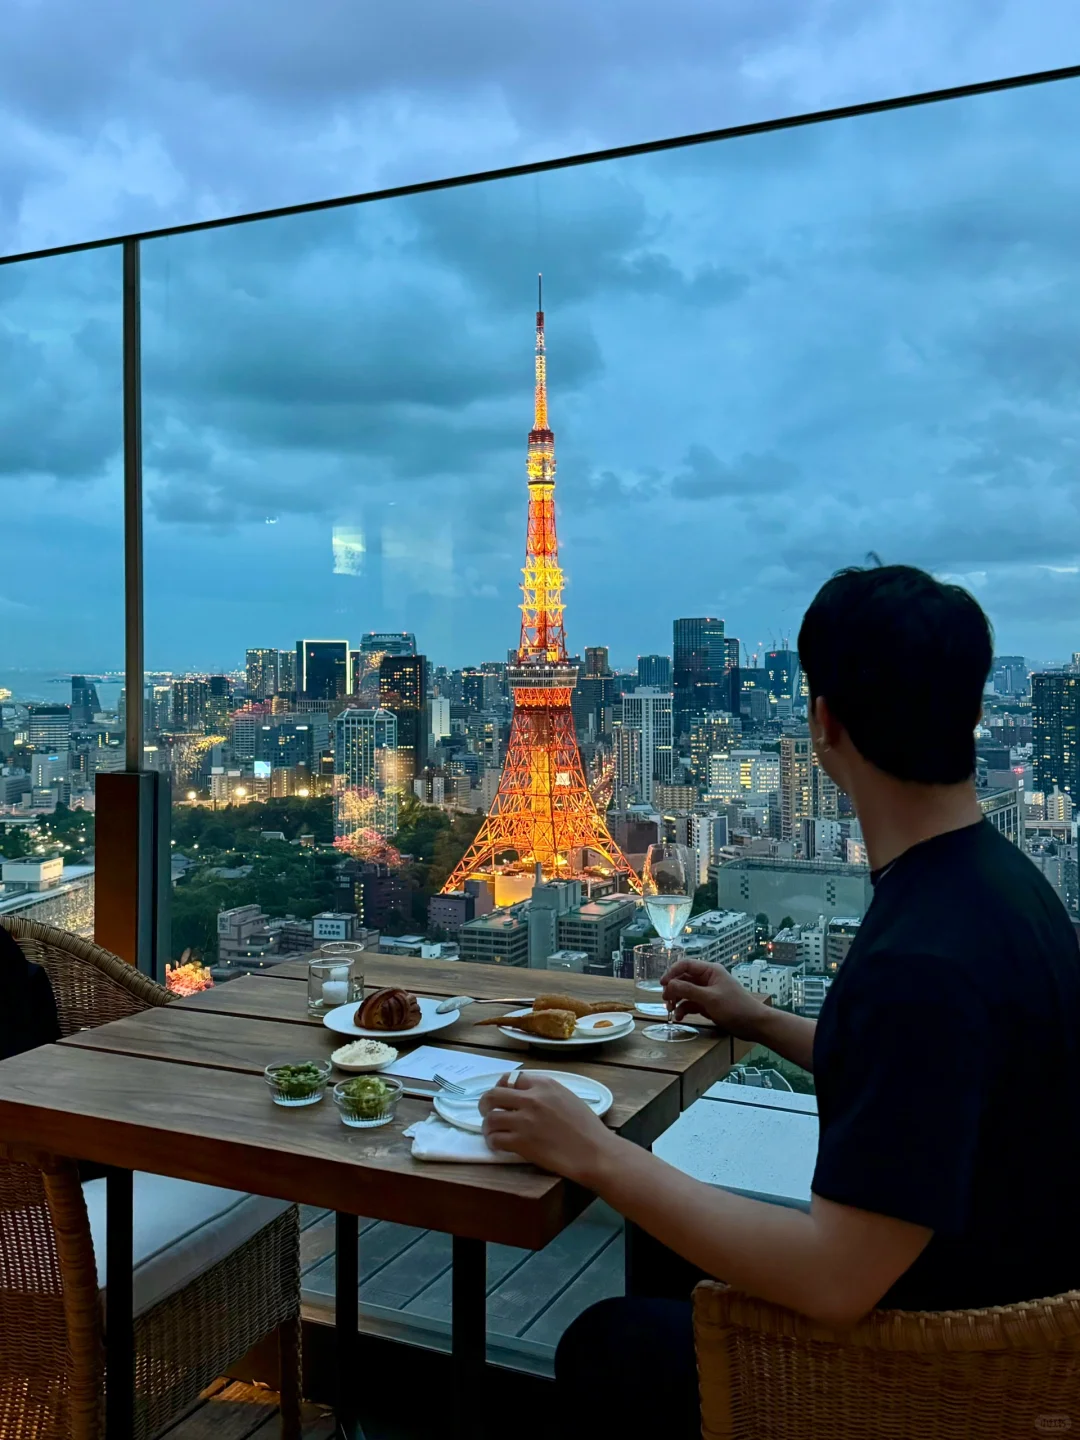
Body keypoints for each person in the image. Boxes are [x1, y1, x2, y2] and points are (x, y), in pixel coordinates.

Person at [480, 564, 1080, 1439]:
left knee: (604, 1343)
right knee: (661, 1236)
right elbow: (923, 1084)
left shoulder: (921, 958)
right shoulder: (1002, 886)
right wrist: (759, 1020)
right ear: (970, 714)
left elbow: (836, 1278)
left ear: (823, 722)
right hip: (990, 1304)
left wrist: (597, 1155)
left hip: (930, 1372)